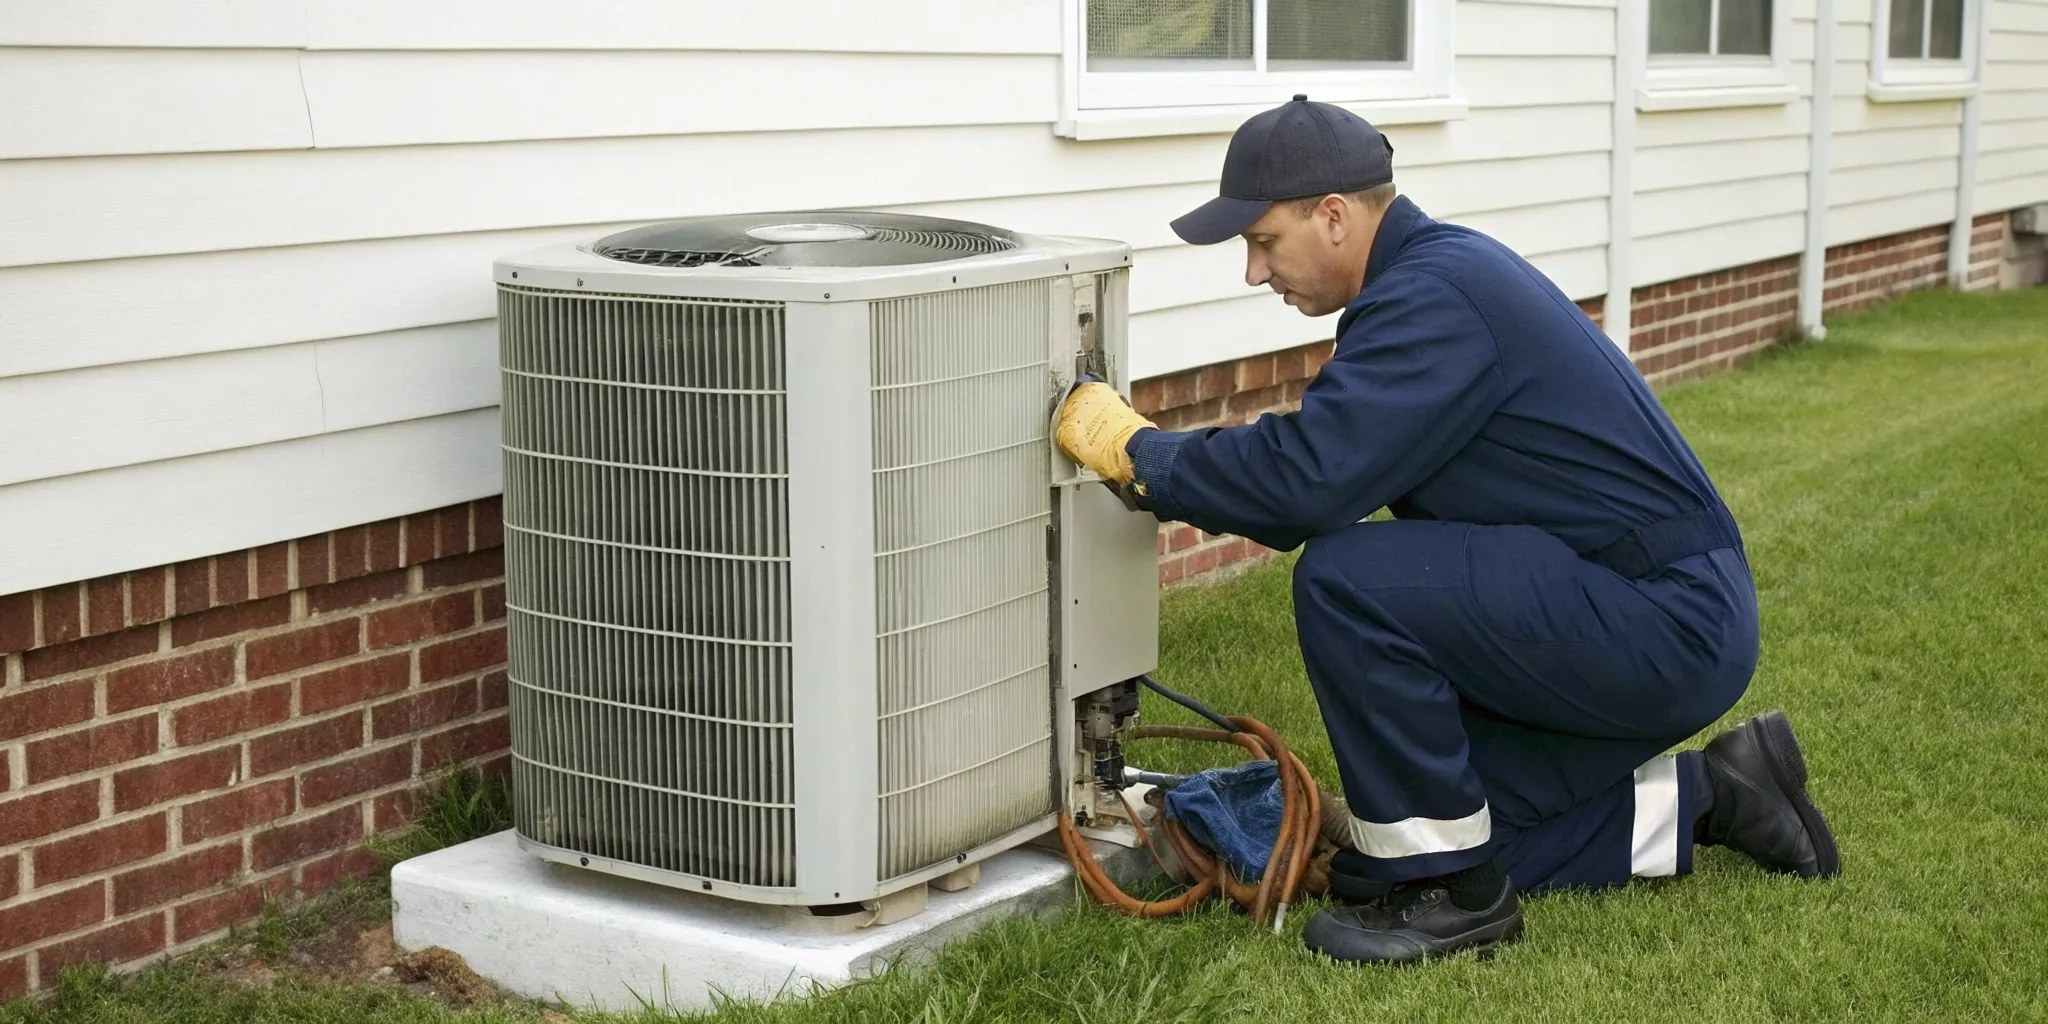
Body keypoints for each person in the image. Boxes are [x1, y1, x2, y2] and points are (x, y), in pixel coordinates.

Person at [1052, 95, 1840, 965]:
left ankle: (1449, 900)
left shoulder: (1435, 300)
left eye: (1263, 240)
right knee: (1460, 830)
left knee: (1348, 579)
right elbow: (1327, 459)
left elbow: (1304, 483)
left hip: (1663, 618)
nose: (1253, 271)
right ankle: (1722, 793)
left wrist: (1142, 455)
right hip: (1650, 609)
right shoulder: (1432, 281)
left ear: (1334, 216)